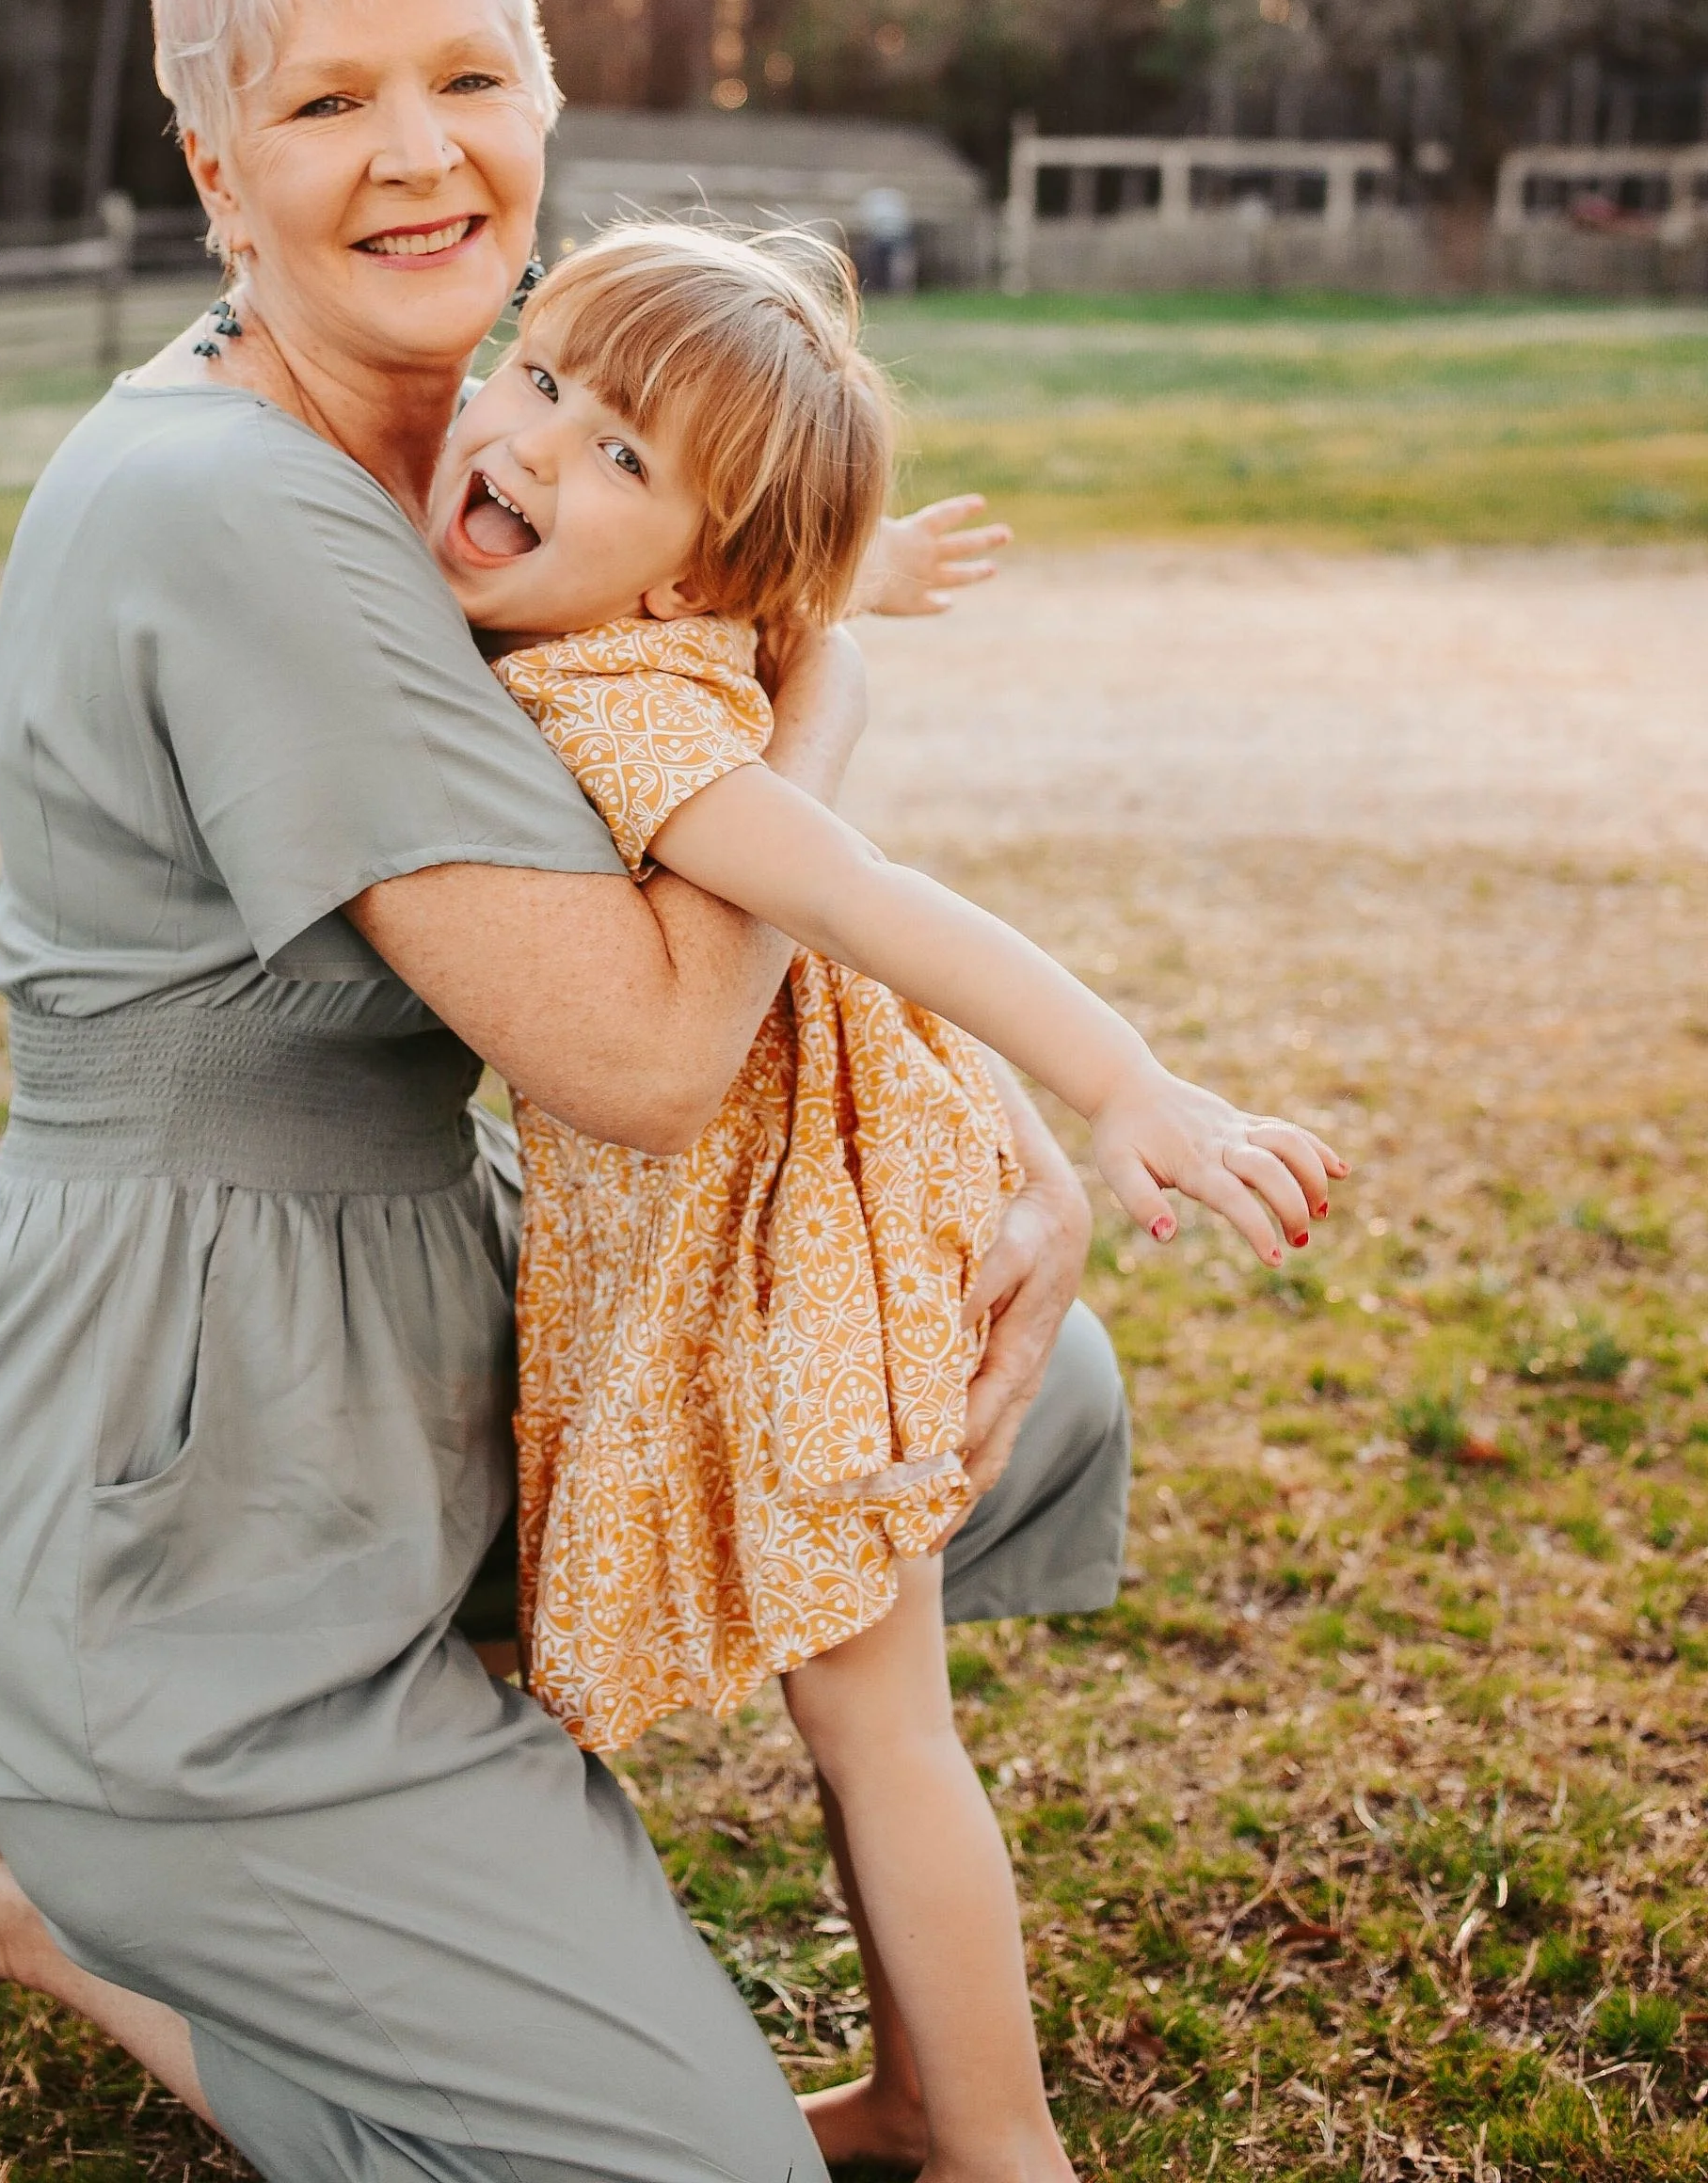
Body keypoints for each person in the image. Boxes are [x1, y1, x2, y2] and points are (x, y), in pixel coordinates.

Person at [0, 0, 1129, 2183]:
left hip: (415, 1311)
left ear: (551, 104)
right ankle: (0, 1870)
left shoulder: (494, 458)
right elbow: (657, 1054)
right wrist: (836, 697)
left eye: (468, 78)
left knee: (1018, 1378)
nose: (416, 155)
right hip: (176, 1452)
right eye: (325, 100)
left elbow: (737, 875)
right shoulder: (236, 510)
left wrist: (996, 1150)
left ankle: (139, 1791)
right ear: (212, 162)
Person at [426, 221, 1347, 2183]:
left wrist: (1125, 1082)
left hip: (802, 1265)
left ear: (692, 567)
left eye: (618, 458)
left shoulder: (629, 711)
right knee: (867, 1719)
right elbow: (792, 608)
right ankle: (930, 2095)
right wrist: (860, 579)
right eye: (543, 375)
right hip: (798, 1225)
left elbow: (872, 901)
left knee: (881, 1730)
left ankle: (1002, 2145)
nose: (529, 442)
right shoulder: (662, 627)